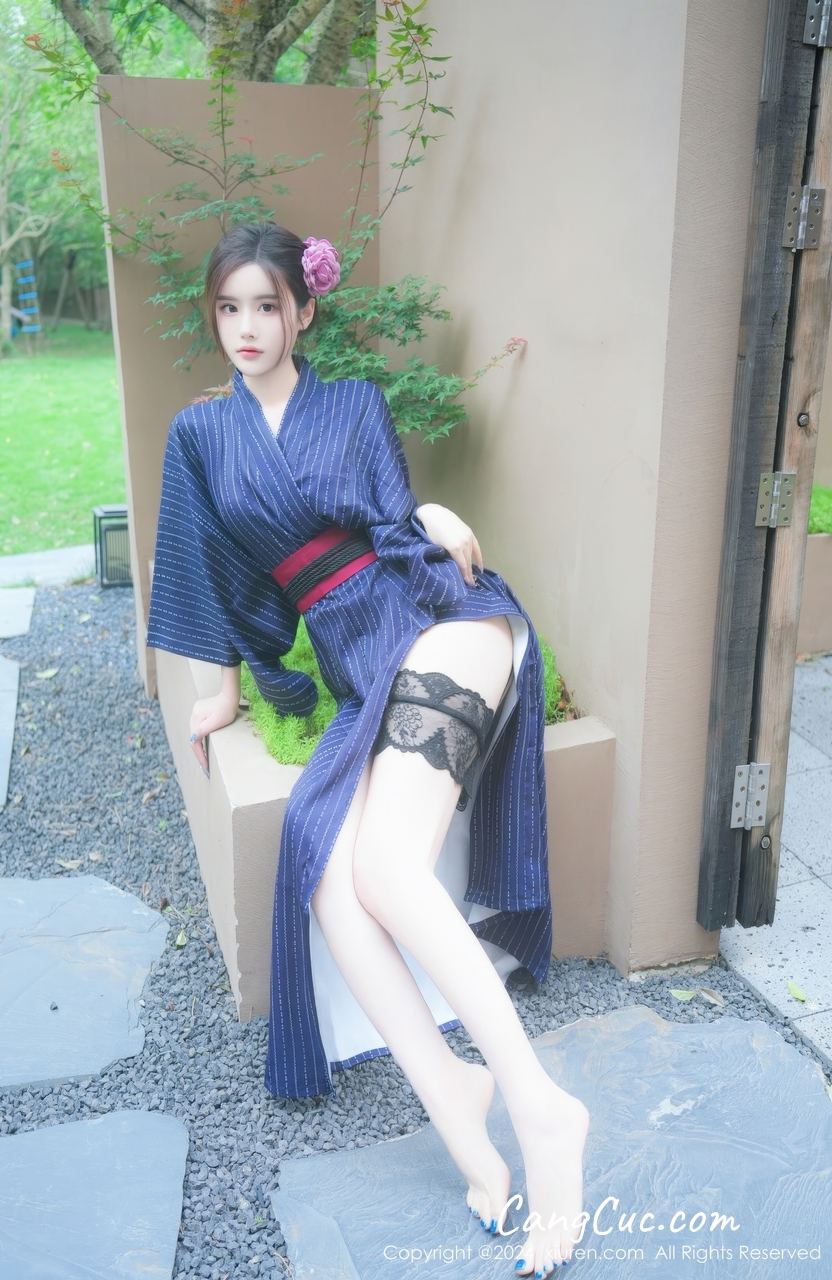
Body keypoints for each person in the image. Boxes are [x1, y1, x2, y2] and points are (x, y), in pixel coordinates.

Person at [146, 221, 589, 1274]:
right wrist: (219, 693)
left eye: (266, 306)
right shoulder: (199, 435)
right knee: (332, 880)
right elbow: (204, 568)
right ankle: (456, 1100)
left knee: (385, 869)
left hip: (439, 620)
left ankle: (540, 1105)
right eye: (228, 308)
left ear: (303, 312)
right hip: (358, 663)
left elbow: (392, 523)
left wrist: (427, 505)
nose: (246, 327)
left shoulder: (352, 402)